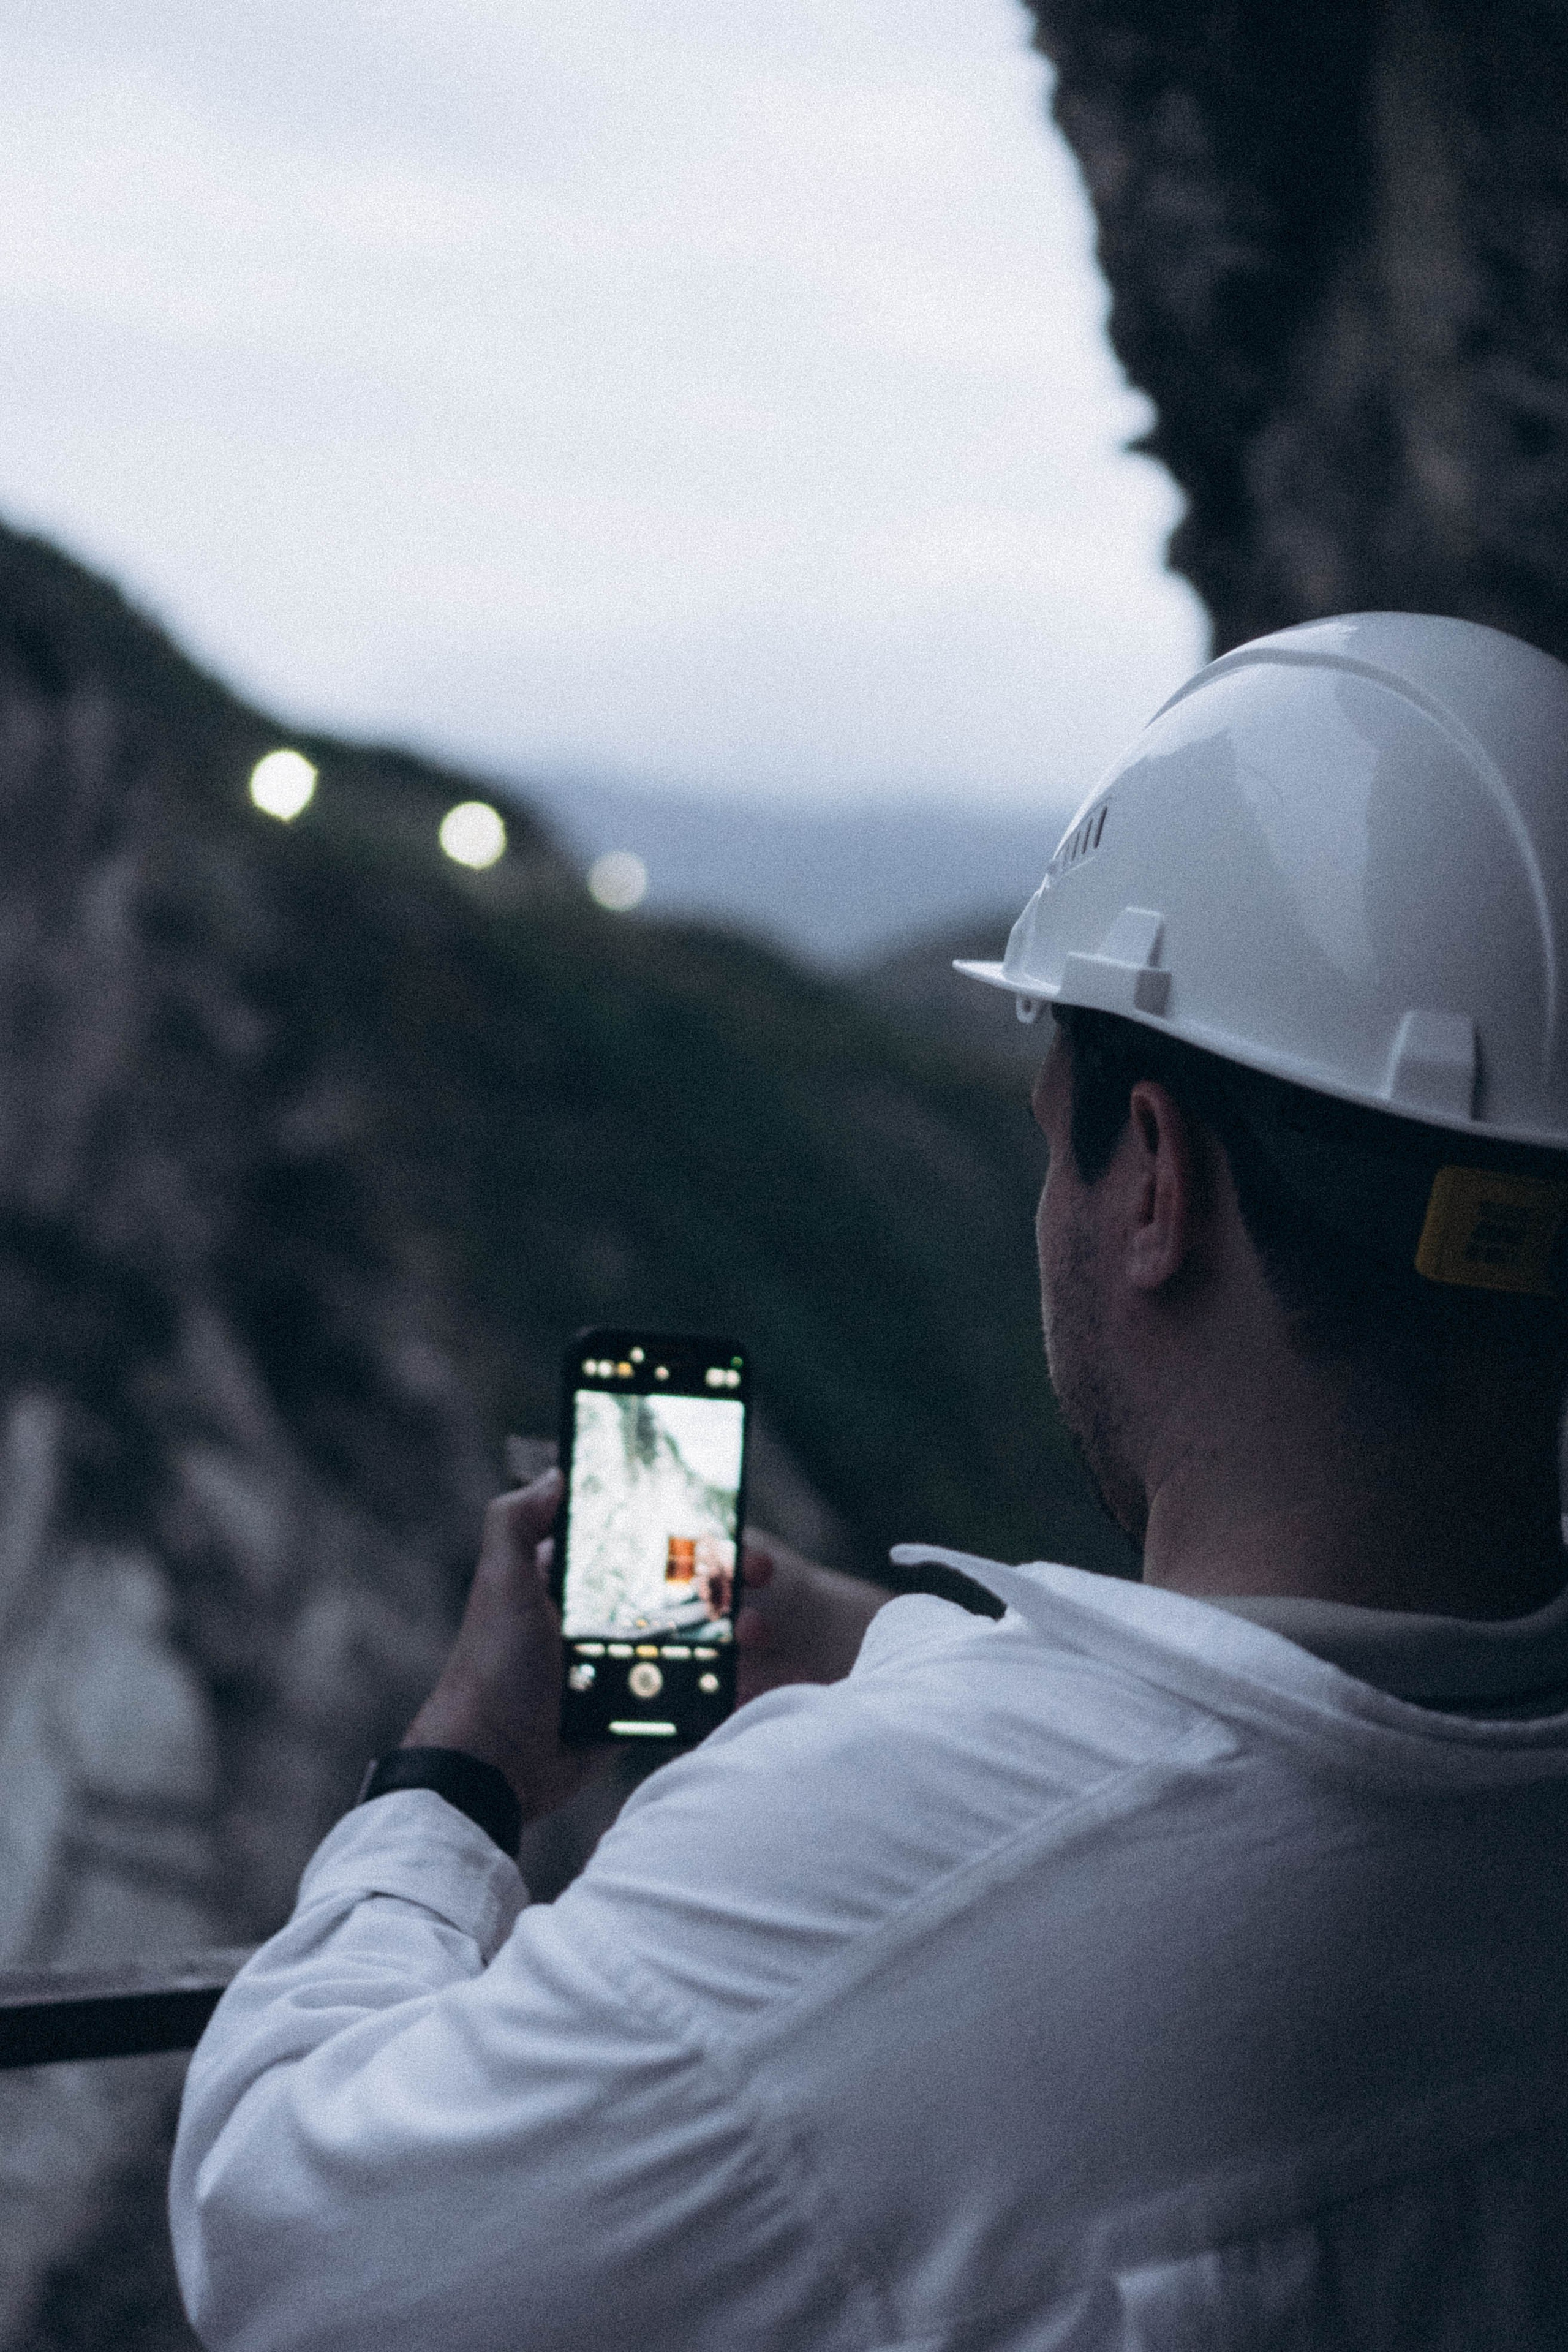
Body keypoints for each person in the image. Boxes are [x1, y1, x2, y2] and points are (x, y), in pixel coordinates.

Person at [171, 613, 1568, 2350]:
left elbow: (290, 2245)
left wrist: (452, 1780)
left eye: (1052, 1130)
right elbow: (1267, 1746)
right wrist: (880, 1639)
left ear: (1152, 1179)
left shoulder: (838, 1885)